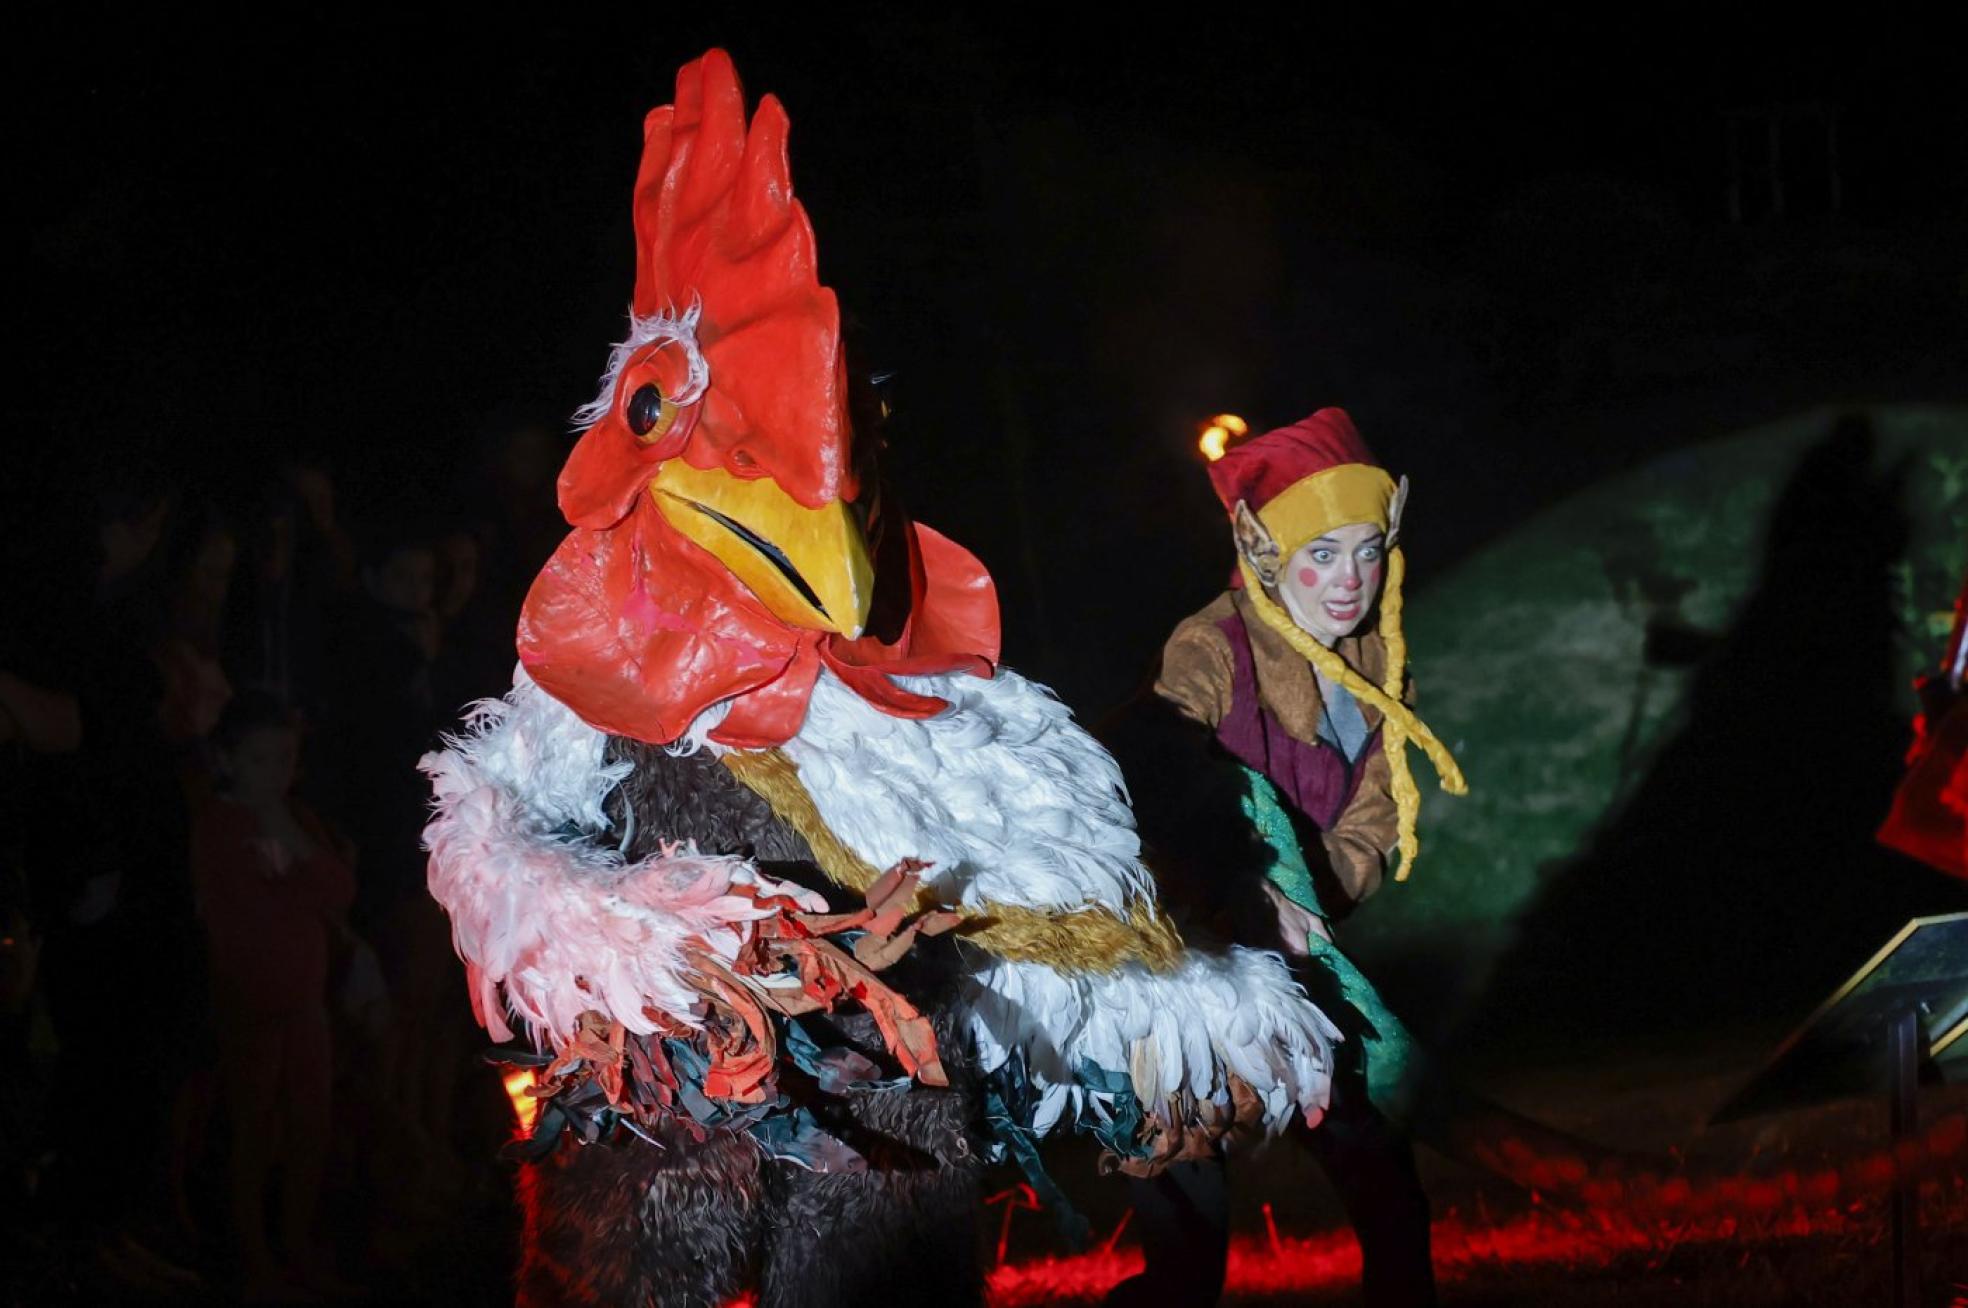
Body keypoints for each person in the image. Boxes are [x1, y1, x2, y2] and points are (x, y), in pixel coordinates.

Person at [1104, 408, 1466, 1308]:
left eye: (1367, 552)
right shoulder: (1213, 642)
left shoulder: (1382, 660)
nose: (1350, 580)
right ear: (1270, 557)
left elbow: (1375, 816)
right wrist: (1246, 884)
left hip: (1304, 956)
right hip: (1191, 959)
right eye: (1322, 554)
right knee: (1185, 1212)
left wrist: (1311, 901)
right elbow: (1155, 755)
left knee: (1382, 1175)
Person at [193, 691, 354, 1298]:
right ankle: (253, 1252)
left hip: (305, 1005)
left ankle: (296, 1242)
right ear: (228, 760)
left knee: (311, 1125)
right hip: (250, 1007)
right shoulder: (216, 826)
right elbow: (233, 911)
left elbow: (338, 892)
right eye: (259, 760)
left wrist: (285, 829)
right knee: (254, 1130)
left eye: (284, 758)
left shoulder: (296, 820)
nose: (274, 773)